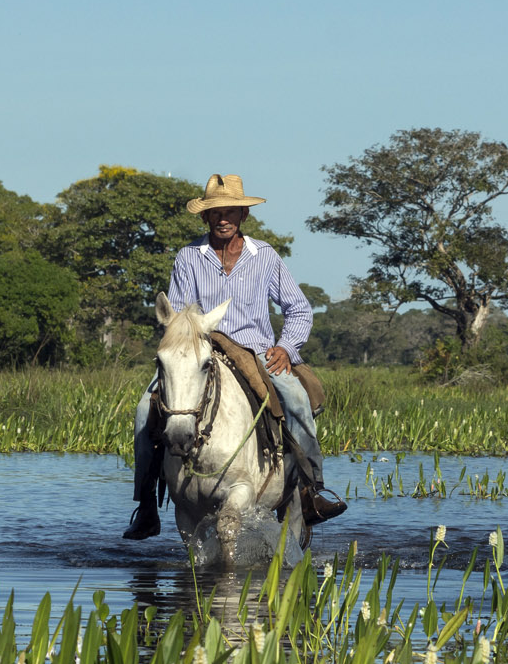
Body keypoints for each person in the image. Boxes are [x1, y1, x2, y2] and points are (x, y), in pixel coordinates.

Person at [123, 173, 347, 540]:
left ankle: (310, 490)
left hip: (256, 352)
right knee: (143, 411)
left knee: (295, 399)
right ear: (205, 218)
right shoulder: (189, 257)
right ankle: (147, 505)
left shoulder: (266, 257)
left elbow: (300, 309)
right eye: (215, 212)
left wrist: (286, 348)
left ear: (243, 215)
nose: (223, 218)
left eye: (230, 211)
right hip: (203, 352)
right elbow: (178, 316)